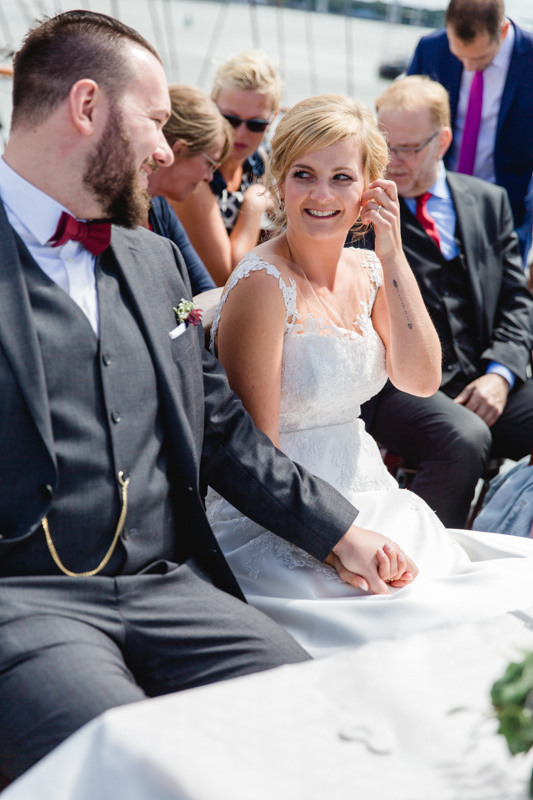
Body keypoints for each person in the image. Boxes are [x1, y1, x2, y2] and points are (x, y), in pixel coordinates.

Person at [0, 12, 412, 781]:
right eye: (155, 120)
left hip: (170, 587)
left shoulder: (155, 261)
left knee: (322, 722)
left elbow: (223, 431)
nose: (167, 149)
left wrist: (339, 533)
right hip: (23, 600)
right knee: (139, 765)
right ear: (86, 107)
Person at [205, 93, 533, 658]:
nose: (322, 195)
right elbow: (256, 456)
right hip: (284, 518)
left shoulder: (369, 268)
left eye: (342, 177)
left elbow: (422, 379)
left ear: (371, 187)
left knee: (495, 608)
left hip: (372, 495)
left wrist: (393, 254)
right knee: (414, 631)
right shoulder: (263, 285)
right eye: (304, 175)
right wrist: (338, 542)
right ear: (280, 180)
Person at [360, 75, 533, 528]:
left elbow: (517, 301)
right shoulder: (359, 209)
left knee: (479, 423)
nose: (391, 161)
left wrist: (501, 375)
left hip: (481, 376)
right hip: (398, 385)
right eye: (383, 145)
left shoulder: (488, 202)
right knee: (462, 437)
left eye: (408, 149)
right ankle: (432, 566)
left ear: (443, 141)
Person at [407, 0, 533, 264]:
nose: (468, 67)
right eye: (459, 55)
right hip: (432, 208)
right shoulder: (430, 49)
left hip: (508, 216)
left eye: (479, 58)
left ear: (502, 32)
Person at [172, 51, 281, 285]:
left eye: (256, 124)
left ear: (272, 119)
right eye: (230, 119)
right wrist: (255, 202)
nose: (240, 134)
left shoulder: (261, 161)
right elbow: (229, 277)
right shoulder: (198, 174)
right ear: (212, 107)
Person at [147, 83, 233, 294]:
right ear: (179, 150)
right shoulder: (116, 210)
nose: (209, 177)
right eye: (209, 163)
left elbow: (205, 289)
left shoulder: (160, 207)